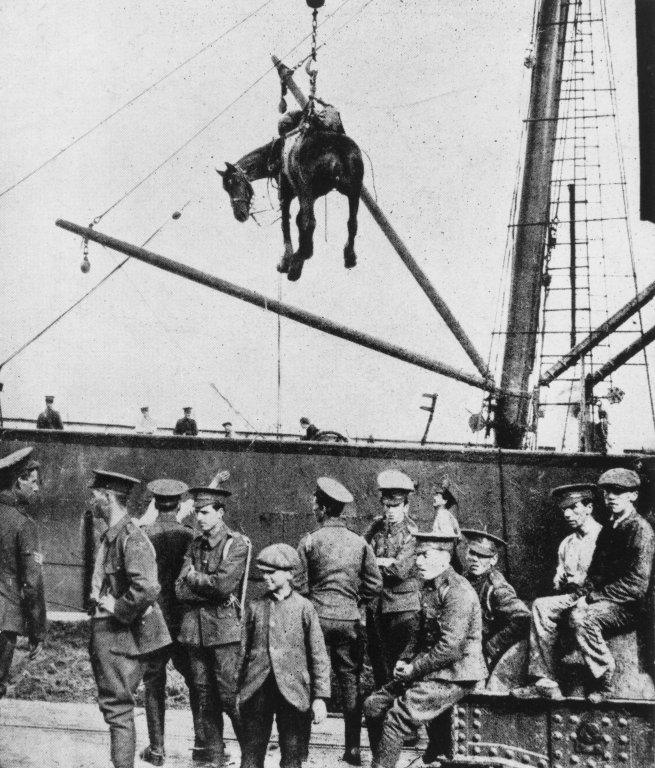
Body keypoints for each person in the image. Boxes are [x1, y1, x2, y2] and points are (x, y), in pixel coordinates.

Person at [363, 527, 486, 768]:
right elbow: (419, 629)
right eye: (417, 555)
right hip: (433, 670)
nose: (418, 561)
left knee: (397, 718)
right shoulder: (429, 586)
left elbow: (451, 648)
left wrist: (413, 670)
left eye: (425, 555)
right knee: (373, 705)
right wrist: (405, 659)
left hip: (456, 675)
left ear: (445, 558)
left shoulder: (457, 591)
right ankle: (384, 761)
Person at [87, 469, 171, 768]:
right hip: (109, 635)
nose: (92, 500)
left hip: (120, 636)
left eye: (96, 495)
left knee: (119, 710)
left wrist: (118, 607)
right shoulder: (112, 536)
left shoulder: (130, 537)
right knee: (116, 709)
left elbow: (147, 587)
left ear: (109, 498)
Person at [296, 477, 382, 765]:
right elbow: (374, 584)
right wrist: (354, 603)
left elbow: (298, 584)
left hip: (316, 619)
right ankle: (353, 750)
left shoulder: (309, 541)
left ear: (321, 509)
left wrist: (314, 602)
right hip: (349, 621)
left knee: (309, 680)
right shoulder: (359, 543)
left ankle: (302, 750)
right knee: (350, 682)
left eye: (315, 505)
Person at [175, 485, 251, 766]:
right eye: (196, 512)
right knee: (203, 696)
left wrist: (196, 579)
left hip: (223, 634)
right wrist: (201, 584)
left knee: (230, 697)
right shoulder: (194, 544)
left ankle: (251, 756)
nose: (199, 518)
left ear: (220, 513)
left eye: (205, 512)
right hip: (195, 632)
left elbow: (222, 586)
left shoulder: (236, 543)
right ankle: (214, 757)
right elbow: (178, 589)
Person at [238, 543, 330, 768]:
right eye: (264, 573)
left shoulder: (304, 608)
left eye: (272, 573)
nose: (266, 577)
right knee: (251, 755)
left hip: (293, 692)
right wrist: (236, 692)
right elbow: (241, 653)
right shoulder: (255, 607)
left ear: (289, 574)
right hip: (258, 690)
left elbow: (318, 656)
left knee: (292, 755)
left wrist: (320, 698)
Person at [567, 468, 654, 701]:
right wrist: (581, 594)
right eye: (607, 493)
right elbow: (597, 573)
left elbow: (636, 585)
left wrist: (593, 598)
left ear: (633, 495)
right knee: (554, 607)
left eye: (619, 492)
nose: (611, 497)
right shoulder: (609, 529)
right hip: (609, 601)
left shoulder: (640, 530)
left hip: (630, 608)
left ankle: (605, 681)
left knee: (583, 618)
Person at [512, 483, 602, 700]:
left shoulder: (604, 538)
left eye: (574, 508)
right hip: (574, 596)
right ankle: (545, 680)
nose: (568, 514)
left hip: (599, 597)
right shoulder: (567, 543)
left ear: (589, 507)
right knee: (541, 605)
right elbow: (559, 580)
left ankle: (600, 680)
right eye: (564, 510)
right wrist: (560, 579)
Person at [140, 479, 198, 766]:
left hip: (154, 618)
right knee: (196, 680)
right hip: (184, 618)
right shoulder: (190, 535)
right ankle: (202, 744)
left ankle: (157, 749)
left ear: (155, 503)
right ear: (178, 504)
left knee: (153, 681)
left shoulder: (143, 535)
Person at [364, 469, 420, 688]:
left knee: (400, 664)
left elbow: (398, 571)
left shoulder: (411, 532)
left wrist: (375, 562)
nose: (390, 511)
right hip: (378, 606)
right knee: (380, 663)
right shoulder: (376, 528)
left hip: (402, 609)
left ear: (405, 506)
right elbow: (361, 556)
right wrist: (382, 562)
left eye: (395, 506)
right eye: (386, 505)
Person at [0, 447, 46, 698]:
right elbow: (31, 583)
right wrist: (37, 631)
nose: (36, 488)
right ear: (19, 481)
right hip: (3, 619)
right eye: (34, 482)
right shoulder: (24, 524)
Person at [461, 528, 530, 670]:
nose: (475, 558)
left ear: (493, 559)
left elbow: (523, 618)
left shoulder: (496, 587)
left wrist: (491, 647)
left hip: (481, 655)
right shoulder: (464, 579)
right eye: (472, 552)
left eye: (482, 555)